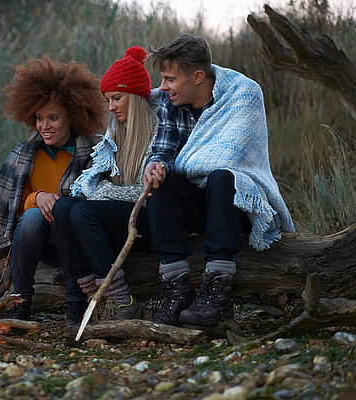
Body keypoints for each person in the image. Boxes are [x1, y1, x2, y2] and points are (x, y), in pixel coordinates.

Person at [143, 34, 295, 327]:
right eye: (162, 78)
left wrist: (179, 165)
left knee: (222, 177)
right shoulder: (169, 101)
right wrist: (156, 165)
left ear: (197, 76)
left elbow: (230, 160)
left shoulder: (243, 94)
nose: (162, 87)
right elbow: (163, 148)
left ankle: (217, 293)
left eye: (170, 79)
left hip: (237, 206)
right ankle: (176, 287)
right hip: (201, 208)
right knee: (162, 184)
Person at [0, 57, 105, 325]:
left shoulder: (95, 151)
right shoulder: (24, 155)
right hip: (35, 244)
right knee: (33, 215)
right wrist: (37, 197)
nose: (44, 126)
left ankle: (75, 303)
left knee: (62, 211)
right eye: (40, 118)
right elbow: (12, 210)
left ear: (73, 114)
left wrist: (58, 206)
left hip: (78, 243)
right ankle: (21, 301)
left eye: (53, 118)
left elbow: (102, 202)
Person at [52, 46, 160, 321]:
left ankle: (121, 302)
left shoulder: (158, 131)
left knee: (82, 211)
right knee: (64, 207)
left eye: (116, 98)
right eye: (107, 99)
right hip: (118, 216)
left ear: (135, 96)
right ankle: (93, 295)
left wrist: (100, 192)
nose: (110, 106)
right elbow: (94, 179)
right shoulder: (115, 133)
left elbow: (143, 192)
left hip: (148, 219)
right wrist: (94, 190)